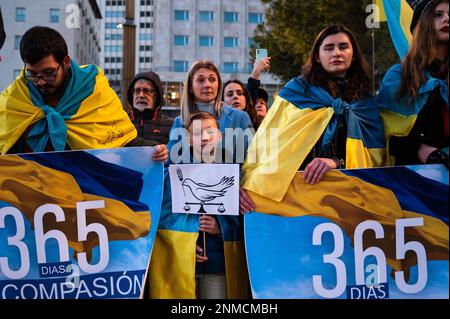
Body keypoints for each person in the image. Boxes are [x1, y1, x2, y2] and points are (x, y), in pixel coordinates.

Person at [240, 24, 386, 213]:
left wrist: (336, 162)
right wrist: (248, 181)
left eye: (343, 47)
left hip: (348, 198)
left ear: (354, 54)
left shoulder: (366, 101)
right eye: (328, 48)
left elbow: (376, 157)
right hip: (296, 197)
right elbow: (268, 141)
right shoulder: (296, 91)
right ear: (317, 56)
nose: (336, 53)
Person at [0, 26, 167, 161]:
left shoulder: (95, 90)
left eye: (49, 72)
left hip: (84, 195)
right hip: (29, 196)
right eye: (32, 74)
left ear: (65, 62)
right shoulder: (15, 97)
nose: (41, 81)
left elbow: (122, 140)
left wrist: (152, 149)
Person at [149, 112, 249, 299]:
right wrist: (184, 244)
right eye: (196, 133)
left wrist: (220, 228)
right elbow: (161, 216)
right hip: (179, 261)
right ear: (187, 139)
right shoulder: (171, 174)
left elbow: (247, 217)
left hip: (217, 265)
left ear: (220, 136)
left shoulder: (237, 173)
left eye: (210, 131)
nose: (204, 137)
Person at [376, 0, 449, 168]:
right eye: (438, 15)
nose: (447, 19)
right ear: (421, 26)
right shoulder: (399, 75)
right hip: (415, 179)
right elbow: (384, 134)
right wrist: (423, 151)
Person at [167, 60, 254, 164]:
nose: (207, 85)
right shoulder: (179, 122)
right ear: (190, 87)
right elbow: (169, 167)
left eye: (212, 79)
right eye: (200, 80)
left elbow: (252, 161)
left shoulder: (240, 118)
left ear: (218, 85)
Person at [126, 71, 174, 145]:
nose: (141, 95)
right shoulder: (121, 122)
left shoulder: (171, 126)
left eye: (146, 91)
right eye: (137, 90)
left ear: (157, 96)